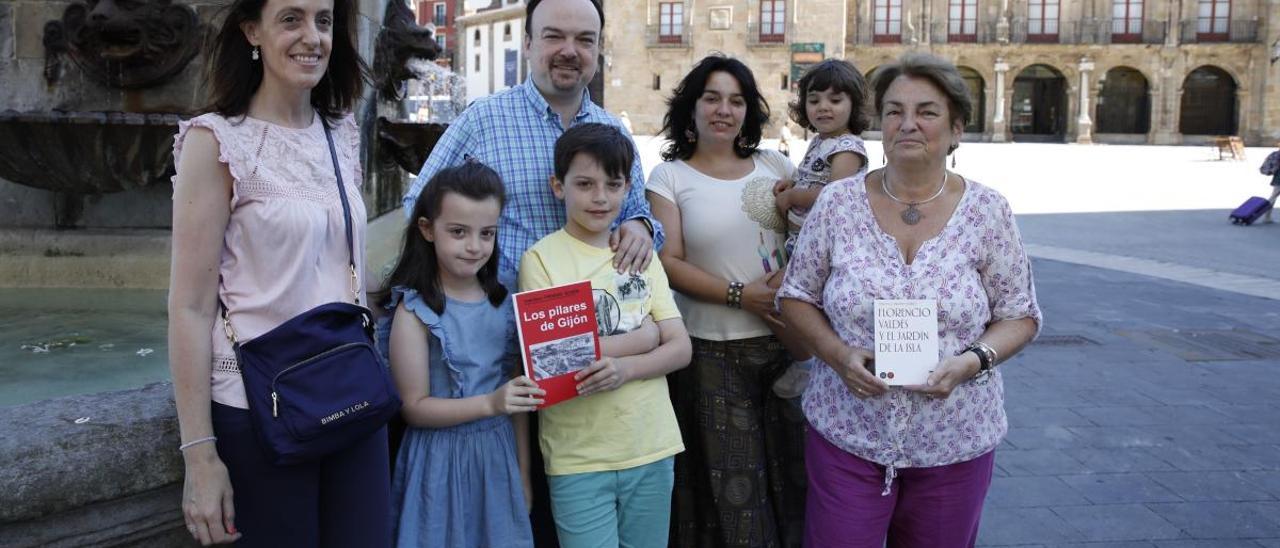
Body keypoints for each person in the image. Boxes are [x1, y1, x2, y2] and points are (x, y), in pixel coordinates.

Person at [777, 52, 1042, 548]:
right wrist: (837, 356)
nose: (908, 124)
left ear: (957, 128)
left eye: (926, 111)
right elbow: (796, 295)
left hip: (955, 438)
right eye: (895, 111)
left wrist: (972, 360)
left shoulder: (988, 211)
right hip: (848, 431)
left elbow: (1020, 315)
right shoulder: (838, 203)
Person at [167, 0, 388, 545]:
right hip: (258, 408)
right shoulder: (215, 141)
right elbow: (189, 308)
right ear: (253, 32)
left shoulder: (340, 133)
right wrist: (200, 455)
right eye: (291, 19)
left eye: (323, 20)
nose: (311, 36)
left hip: (350, 392)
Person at [646, 54, 807, 548]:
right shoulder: (669, 177)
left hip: (784, 348)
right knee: (733, 490)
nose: (724, 110)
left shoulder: (776, 164)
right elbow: (668, 262)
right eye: (712, 98)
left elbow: (814, 234)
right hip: (712, 355)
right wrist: (743, 296)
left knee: (790, 482)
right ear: (691, 107)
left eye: (736, 100)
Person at [403, 0, 662, 290]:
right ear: (527, 44)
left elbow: (639, 211)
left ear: (597, 48)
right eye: (553, 36)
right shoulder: (482, 120)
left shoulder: (616, 132)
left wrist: (642, 226)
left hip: (602, 321)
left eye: (584, 39)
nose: (569, 50)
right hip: (500, 318)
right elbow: (418, 205)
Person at [518, 123, 692, 547]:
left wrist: (625, 368)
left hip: (650, 445)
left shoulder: (640, 255)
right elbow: (555, 359)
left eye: (612, 185)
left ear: (627, 187)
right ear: (558, 187)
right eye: (584, 184)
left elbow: (681, 347)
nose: (599, 197)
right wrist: (644, 338)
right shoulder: (540, 259)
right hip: (578, 455)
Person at [382, 162, 543, 547]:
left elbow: (516, 400)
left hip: (497, 458)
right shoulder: (415, 310)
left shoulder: (505, 302)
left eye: (486, 233)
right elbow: (414, 407)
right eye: (458, 232)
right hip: (436, 463)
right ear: (427, 229)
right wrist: (491, 403)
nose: (474, 246)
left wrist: (523, 474)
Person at [770, 58, 871, 400]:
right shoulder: (820, 142)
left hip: (824, 245)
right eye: (814, 100)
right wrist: (791, 182)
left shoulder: (848, 147)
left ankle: (805, 361)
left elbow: (836, 195)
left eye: (835, 100)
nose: (823, 108)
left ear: (854, 104)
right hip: (802, 237)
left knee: (786, 298)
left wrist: (797, 195)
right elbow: (812, 177)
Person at [1259, 143, 1280, 223]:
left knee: (1273, 197)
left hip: (1278, 177)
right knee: (1273, 197)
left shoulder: (1277, 154)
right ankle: (1267, 217)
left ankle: (1267, 217)